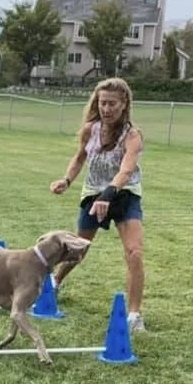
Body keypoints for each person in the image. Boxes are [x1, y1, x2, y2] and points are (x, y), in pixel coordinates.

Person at [49, 78, 147, 332]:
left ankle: (134, 315)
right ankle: (54, 283)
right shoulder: (90, 129)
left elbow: (126, 170)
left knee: (134, 252)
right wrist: (66, 180)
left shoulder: (132, 136)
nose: (107, 108)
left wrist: (109, 194)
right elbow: (80, 156)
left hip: (124, 194)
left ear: (124, 104)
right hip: (93, 193)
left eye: (112, 104)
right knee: (77, 249)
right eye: (103, 103)